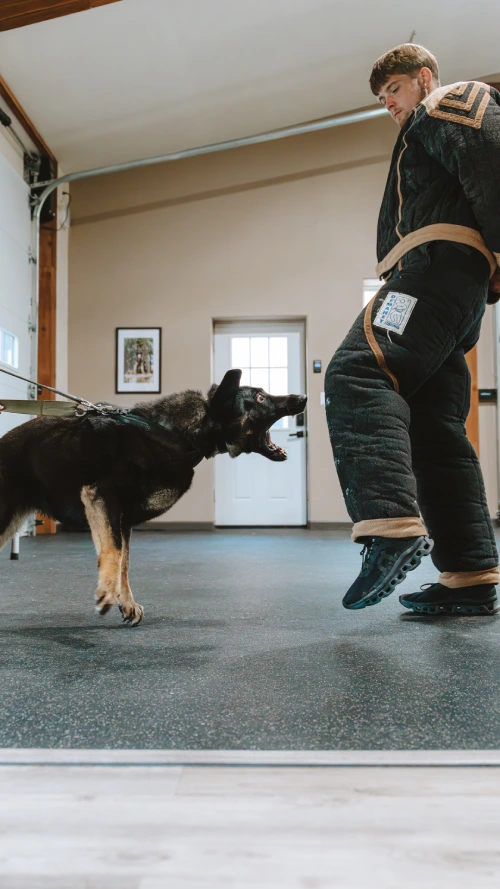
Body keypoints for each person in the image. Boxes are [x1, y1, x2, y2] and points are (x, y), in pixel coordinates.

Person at [325, 44, 500, 615]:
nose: (389, 106)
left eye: (394, 92)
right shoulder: (424, 124)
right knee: (434, 432)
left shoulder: (451, 100)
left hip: (435, 270)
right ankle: (472, 578)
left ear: (424, 78)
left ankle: (391, 529)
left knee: (357, 371)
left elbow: (493, 154)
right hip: (451, 283)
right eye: (381, 100)